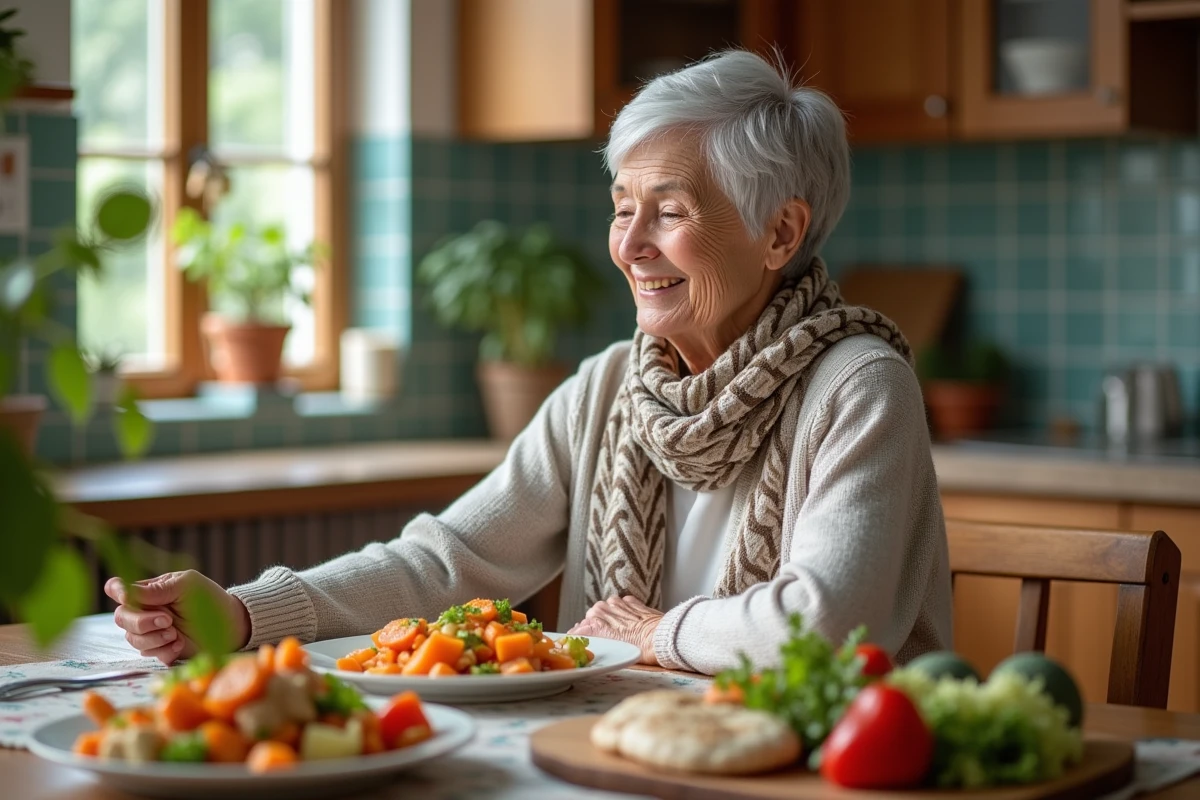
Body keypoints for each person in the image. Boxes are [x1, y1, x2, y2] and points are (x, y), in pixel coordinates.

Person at [107, 50, 952, 674]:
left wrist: (655, 635)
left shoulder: (858, 384)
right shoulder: (610, 387)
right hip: (631, 746)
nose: (631, 243)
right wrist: (243, 612)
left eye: (670, 211)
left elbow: (833, 624)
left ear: (780, 233)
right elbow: (446, 562)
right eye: (623, 208)